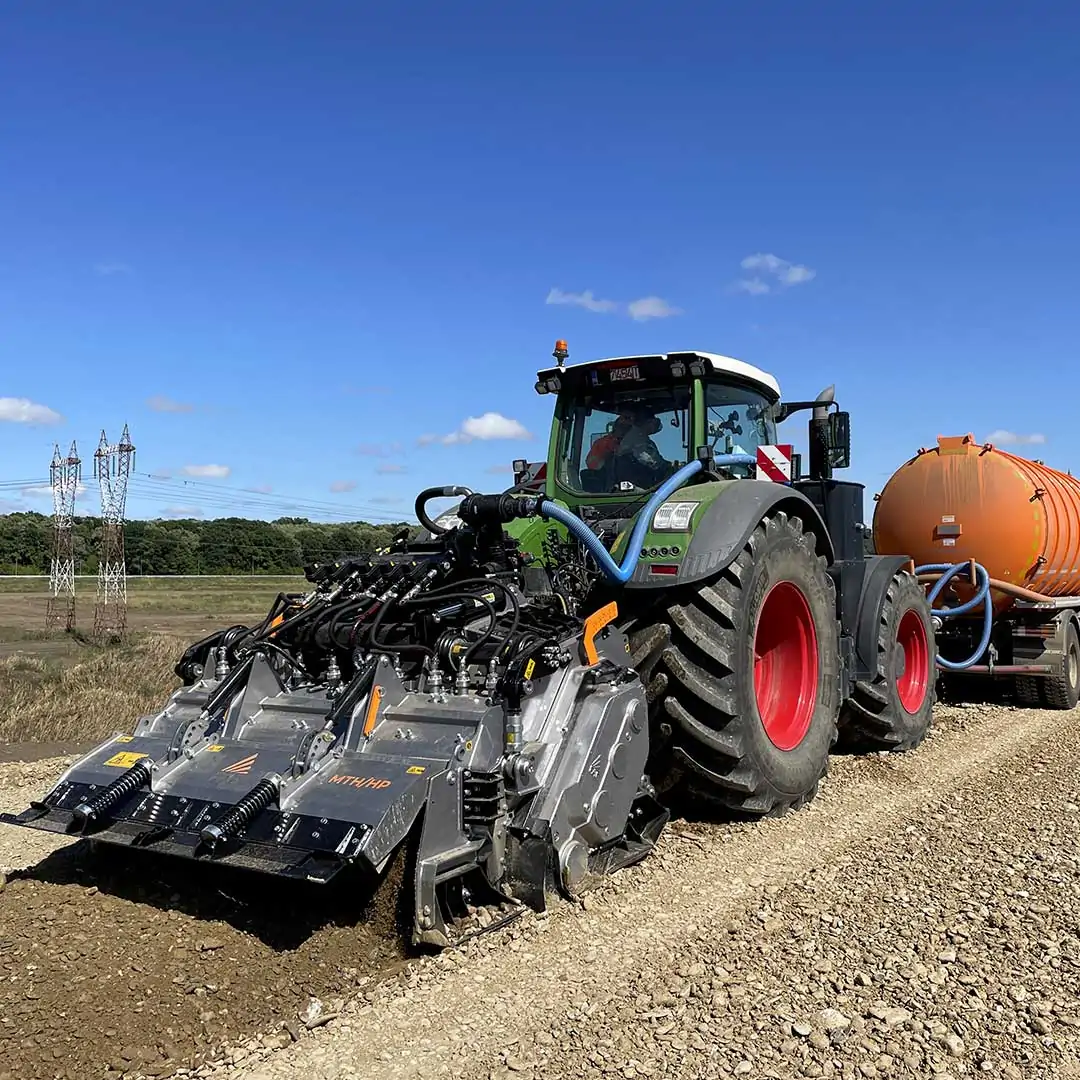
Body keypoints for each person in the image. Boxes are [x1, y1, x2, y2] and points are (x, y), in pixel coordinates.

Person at [585, 404, 668, 488]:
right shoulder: (636, 438)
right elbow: (651, 462)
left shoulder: (635, 439)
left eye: (628, 419)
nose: (624, 422)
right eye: (625, 418)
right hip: (624, 488)